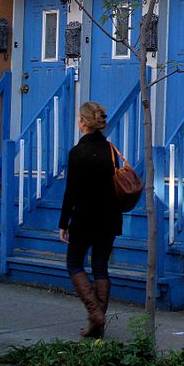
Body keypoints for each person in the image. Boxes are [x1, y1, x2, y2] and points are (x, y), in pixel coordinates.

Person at [59, 101, 122, 338]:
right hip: (110, 216)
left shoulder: (78, 153)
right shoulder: (110, 150)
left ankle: (95, 313)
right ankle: (98, 324)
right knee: (100, 266)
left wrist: (64, 224)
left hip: (85, 218)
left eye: (78, 118)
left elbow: (71, 192)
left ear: (84, 123)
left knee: (74, 263)